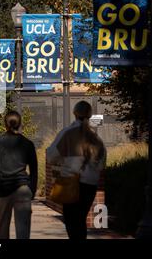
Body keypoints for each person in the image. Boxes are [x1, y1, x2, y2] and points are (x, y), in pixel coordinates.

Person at [46, 101, 107, 240]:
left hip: (70, 183)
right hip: (90, 185)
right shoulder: (96, 138)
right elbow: (101, 165)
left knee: (72, 222)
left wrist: (63, 162)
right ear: (89, 115)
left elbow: (51, 156)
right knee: (80, 220)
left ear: (74, 113)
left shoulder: (67, 133)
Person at [0, 111, 38, 239]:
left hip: (3, 189)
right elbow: (34, 170)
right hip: (22, 188)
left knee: (2, 229)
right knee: (23, 230)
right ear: (20, 124)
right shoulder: (28, 144)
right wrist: (32, 190)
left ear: (6, 124)